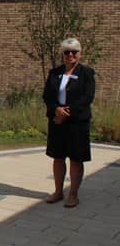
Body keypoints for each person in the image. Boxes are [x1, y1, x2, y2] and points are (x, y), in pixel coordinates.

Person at [43, 38, 95, 208]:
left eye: (74, 52)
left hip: (77, 122)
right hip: (57, 121)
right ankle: (58, 192)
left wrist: (66, 112)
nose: (70, 55)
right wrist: (56, 110)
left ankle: (73, 194)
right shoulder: (54, 72)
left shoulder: (87, 73)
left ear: (80, 54)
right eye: (67, 52)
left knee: (75, 158)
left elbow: (87, 97)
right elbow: (47, 96)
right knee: (58, 157)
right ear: (63, 54)